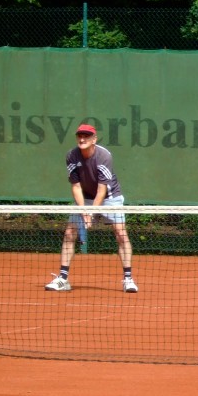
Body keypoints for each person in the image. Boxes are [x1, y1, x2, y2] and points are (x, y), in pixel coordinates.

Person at [44, 123, 138, 293]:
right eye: (80, 136)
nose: (82, 139)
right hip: (85, 197)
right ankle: (63, 279)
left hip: (110, 197)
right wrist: (84, 211)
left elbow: (102, 190)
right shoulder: (71, 156)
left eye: (86, 136)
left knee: (121, 233)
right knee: (69, 232)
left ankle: (128, 279)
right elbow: (76, 187)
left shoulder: (104, 156)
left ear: (94, 139)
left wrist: (91, 213)